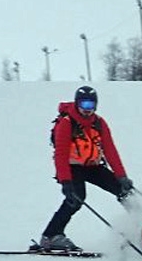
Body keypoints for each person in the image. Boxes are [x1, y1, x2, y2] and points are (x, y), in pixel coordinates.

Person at [34, 86, 135, 252]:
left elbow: (110, 150)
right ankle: (51, 236)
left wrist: (121, 176)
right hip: (72, 168)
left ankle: (141, 225)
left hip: (92, 166)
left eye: (91, 105)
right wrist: (65, 181)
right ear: (77, 103)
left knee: (124, 191)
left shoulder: (99, 123)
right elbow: (60, 155)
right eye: (83, 104)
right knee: (75, 199)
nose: (87, 109)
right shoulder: (67, 123)